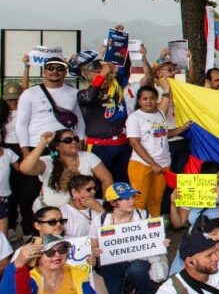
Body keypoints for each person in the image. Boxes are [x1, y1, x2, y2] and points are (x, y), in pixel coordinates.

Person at [92, 183, 159, 294]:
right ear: (113, 203)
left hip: (137, 259)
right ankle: (127, 285)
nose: (132, 201)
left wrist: (160, 242)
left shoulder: (143, 215)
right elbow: (93, 245)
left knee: (136, 270)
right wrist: (95, 251)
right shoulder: (100, 220)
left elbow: (155, 237)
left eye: (132, 197)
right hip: (112, 263)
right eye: (126, 199)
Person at [126, 86, 189, 217]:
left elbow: (163, 134)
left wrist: (182, 129)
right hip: (142, 164)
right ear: (139, 101)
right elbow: (135, 143)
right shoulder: (134, 118)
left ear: (157, 99)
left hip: (163, 164)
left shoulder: (160, 114)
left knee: (156, 201)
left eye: (152, 98)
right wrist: (153, 164)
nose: (149, 102)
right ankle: (139, 233)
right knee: (139, 201)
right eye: (145, 99)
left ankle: (154, 231)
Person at [0, 80, 40, 236]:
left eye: (16, 99)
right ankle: (9, 225)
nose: (13, 102)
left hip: (25, 149)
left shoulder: (30, 112)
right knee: (8, 190)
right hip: (4, 150)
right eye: (9, 99)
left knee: (28, 191)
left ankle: (28, 227)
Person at [76, 49, 133, 184]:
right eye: (98, 71)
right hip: (98, 146)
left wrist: (120, 45)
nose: (106, 75)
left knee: (122, 183)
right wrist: (103, 73)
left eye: (107, 72)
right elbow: (89, 98)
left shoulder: (116, 88)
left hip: (123, 145)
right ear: (88, 75)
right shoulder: (82, 94)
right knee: (98, 183)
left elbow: (125, 68)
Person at [19, 128, 113, 209]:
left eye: (75, 139)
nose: (74, 142)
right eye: (68, 140)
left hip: (83, 211)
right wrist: (43, 143)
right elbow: (25, 169)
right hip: (52, 212)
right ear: (57, 146)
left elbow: (107, 178)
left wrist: (106, 203)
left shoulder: (88, 156)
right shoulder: (47, 161)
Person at [15, 57, 85, 152]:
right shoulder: (29, 93)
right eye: (50, 68)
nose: (55, 71)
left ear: (65, 72)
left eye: (60, 68)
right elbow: (21, 124)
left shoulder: (75, 93)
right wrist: (25, 151)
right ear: (44, 71)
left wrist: (80, 143)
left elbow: (80, 120)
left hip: (66, 146)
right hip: (36, 145)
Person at [169, 160, 219, 230]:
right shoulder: (191, 193)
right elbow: (177, 224)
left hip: (218, 238)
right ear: (206, 178)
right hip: (195, 237)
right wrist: (173, 204)